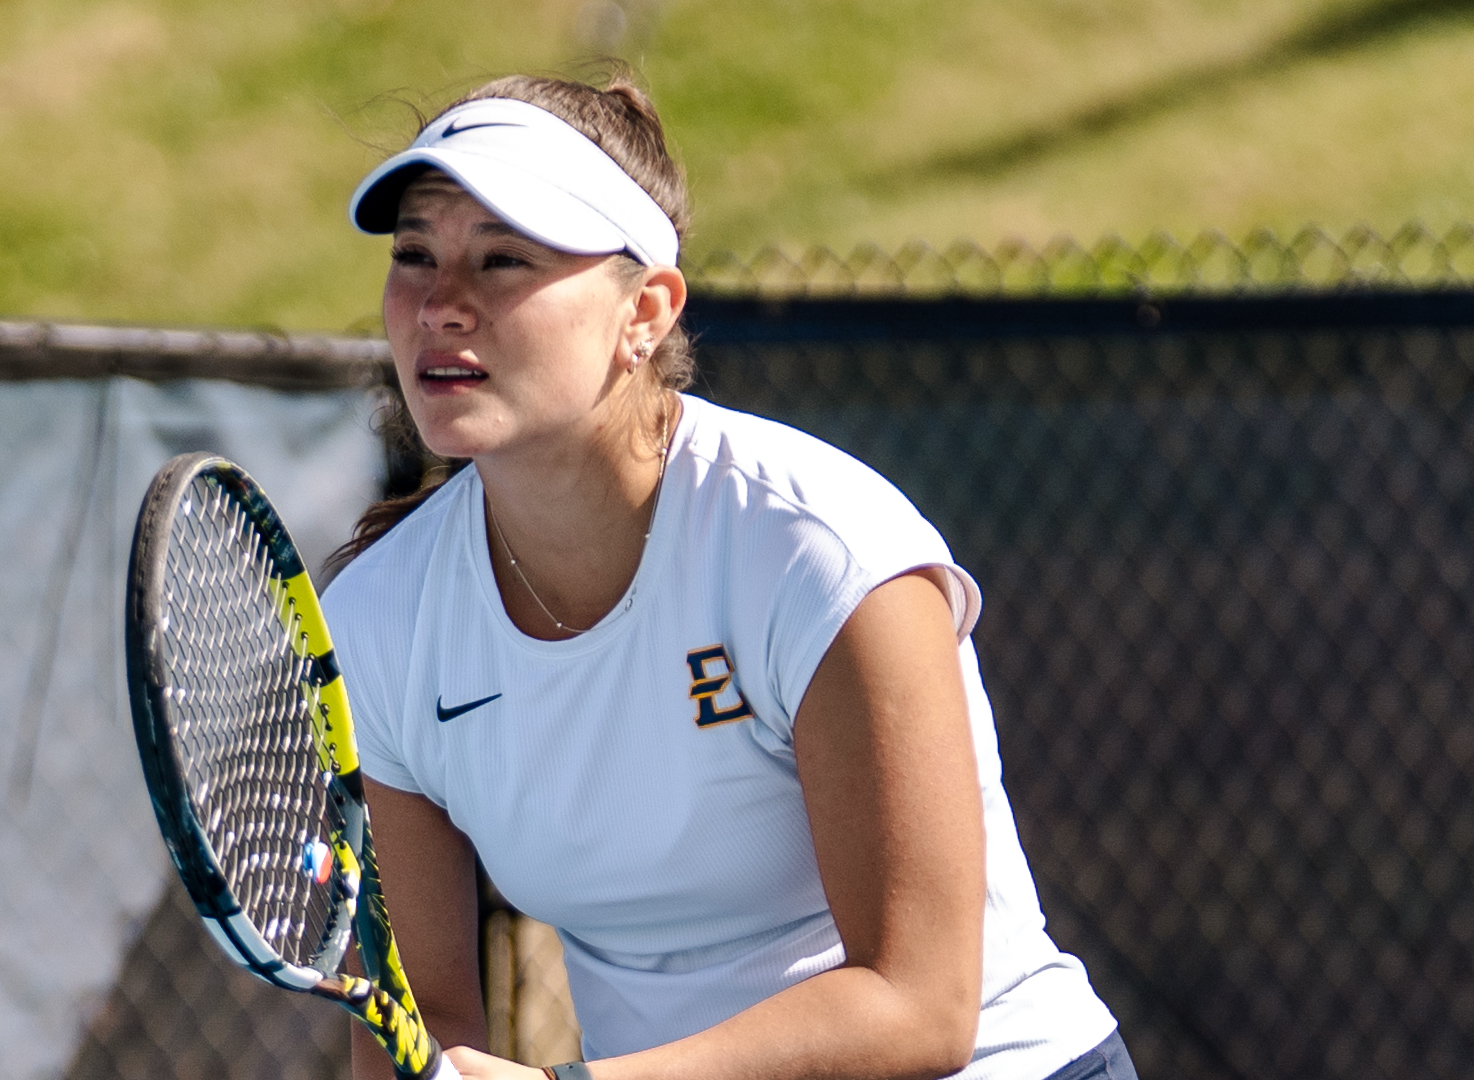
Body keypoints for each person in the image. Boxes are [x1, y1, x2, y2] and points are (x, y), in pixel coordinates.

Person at [319, 70, 1136, 1080]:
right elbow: (421, 1019)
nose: (441, 304)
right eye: (415, 255)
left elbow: (919, 1005)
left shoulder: (816, 549)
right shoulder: (377, 620)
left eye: (503, 258)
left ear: (645, 311)